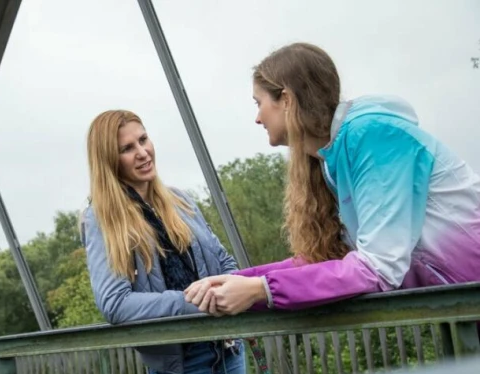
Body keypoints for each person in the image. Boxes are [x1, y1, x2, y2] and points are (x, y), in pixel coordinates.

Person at [185, 42, 480, 315]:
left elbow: (377, 267)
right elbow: (329, 258)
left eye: (258, 103)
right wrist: (238, 281)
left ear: (286, 100)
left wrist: (261, 289)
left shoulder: (373, 136)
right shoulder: (332, 161)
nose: (258, 118)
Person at [81, 110, 246, 374]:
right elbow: (115, 303)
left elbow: (224, 261)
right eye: (127, 148)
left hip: (228, 349)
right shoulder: (101, 218)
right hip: (180, 366)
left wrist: (233, 293)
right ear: (110, 160)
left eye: (143, 140)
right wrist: (192, 302)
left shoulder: (180, 200)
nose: (143, 152)